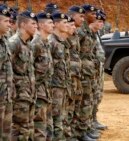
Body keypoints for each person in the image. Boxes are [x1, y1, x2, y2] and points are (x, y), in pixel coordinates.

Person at [8, 10, 38, 140]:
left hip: (28, 94)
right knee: (18, 129)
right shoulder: (14, 43)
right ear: (23, 25)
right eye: (33, 24)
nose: (36, 27)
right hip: (18, 95)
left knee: (27, 127)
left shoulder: (28, 44)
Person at [30, 12, 54, 141]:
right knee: (39, 126)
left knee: (46, 125)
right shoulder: (36, 43)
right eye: (50, 23)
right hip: (38, 92)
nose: (53, 25)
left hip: (46, 90)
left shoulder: (46, 43)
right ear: (41, 25)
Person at [77, 4, 99, 141]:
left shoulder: (88, 31)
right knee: (83, 102)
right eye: (92, 13)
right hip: (82, 73)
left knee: (88, 101)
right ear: (85, 15)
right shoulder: (80, 32)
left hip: (88, 72)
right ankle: (81, 132)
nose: (95, 16)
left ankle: (85, 129)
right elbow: (75, 53)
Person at [48, 12, 70, 140]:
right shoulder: (51, 41)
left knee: (60, 115)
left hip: (61, 85)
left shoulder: (60, 41)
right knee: (55, 116)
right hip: (53, 86)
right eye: (64, 22)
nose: (66, 25)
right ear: (56, 24)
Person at [67, 5, 85, 140]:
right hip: (66, 79)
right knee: (67, 109)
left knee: (76, 106)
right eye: (81, 16)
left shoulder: (77, 34)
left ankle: (76, 133)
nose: (83, 19)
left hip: (77, 75)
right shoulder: (64, 37)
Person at [89, 9, 108, 131]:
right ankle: (90, 121)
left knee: (97, 95)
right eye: (99, 21)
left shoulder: (96, 34)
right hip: (91, 70)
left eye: (102, 22)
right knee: (91, 96)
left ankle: (93, 119)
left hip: (98, 69)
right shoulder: (89, 34)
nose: (101, 24)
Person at [0, 5, 13, 141]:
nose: (10, 24)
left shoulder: (4, 41)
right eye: (6, 21)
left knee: (5, 135)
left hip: (6, 98)